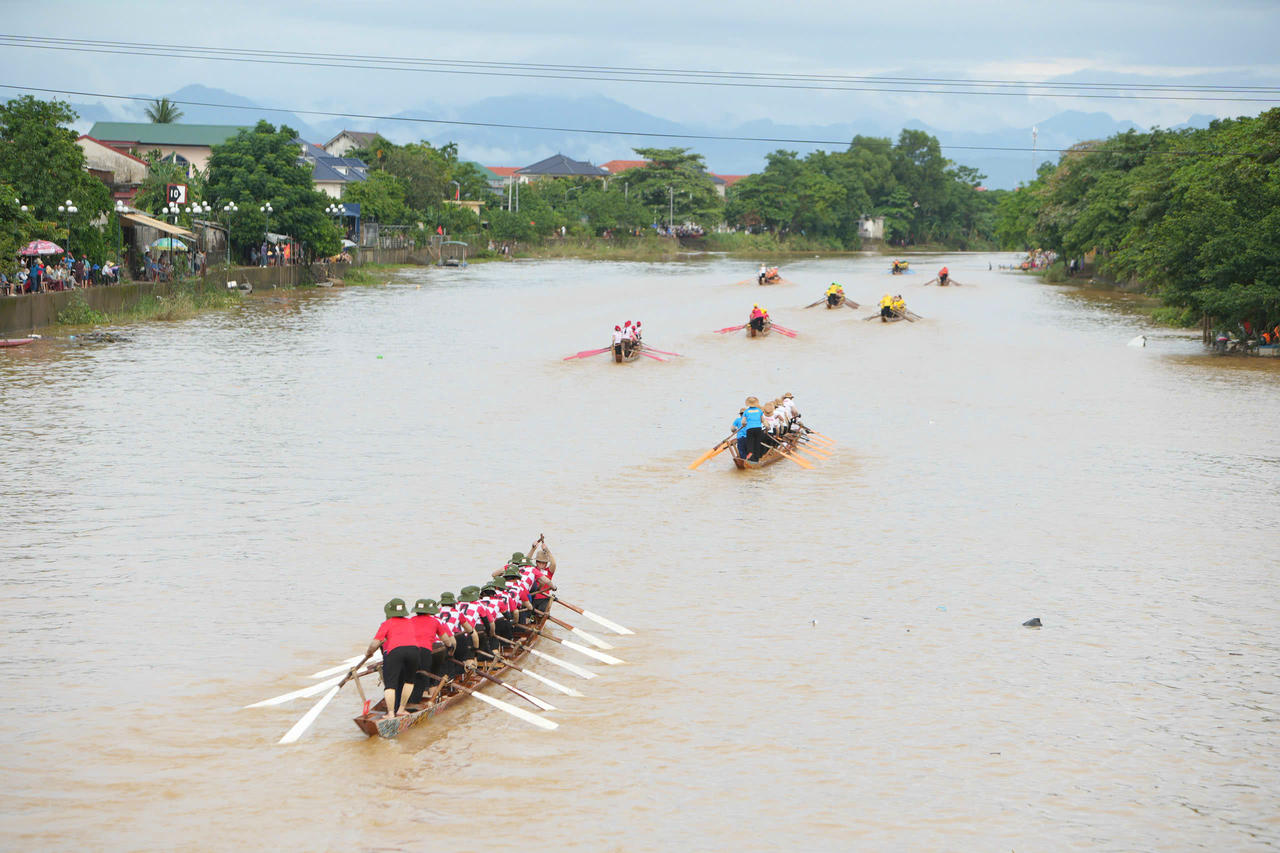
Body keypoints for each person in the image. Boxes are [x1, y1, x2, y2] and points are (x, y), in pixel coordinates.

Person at [365, 598, 418, 721]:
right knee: (409, 681)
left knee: (390, 684)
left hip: (395, 651)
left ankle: (390, 713)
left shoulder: (387, 623)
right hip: (414, 651)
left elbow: (375, 643)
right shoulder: (410, 622)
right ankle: (401, 709)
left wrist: (369, 653)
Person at [405, 598, 455, 709]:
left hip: (409, 651)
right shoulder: (435, 621)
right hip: (425, 651)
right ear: (429, 611)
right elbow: (446, 640)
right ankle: (431, 699)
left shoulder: (409, 620)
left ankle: (405, 702)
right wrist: (450, 648)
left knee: (411, 676)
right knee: (430, 675)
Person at [740, 396, 765, 461]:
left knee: (750, 443)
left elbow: (743, 422)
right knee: (757, 443)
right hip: (758, 428)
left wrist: (744, 424)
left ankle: (750, 456)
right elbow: (763, 420)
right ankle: (756, 458)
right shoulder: (759, 410)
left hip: (750, 429)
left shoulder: (746, 411)